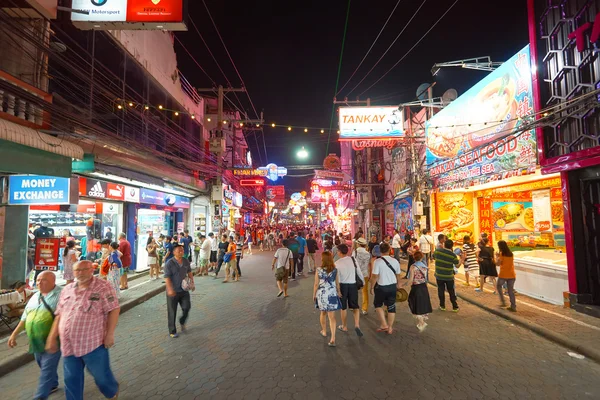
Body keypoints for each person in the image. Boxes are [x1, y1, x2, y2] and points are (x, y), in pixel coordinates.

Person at [45, 260, 120, 400]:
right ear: (73, 272)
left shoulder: (103, 287)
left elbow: (114, 309)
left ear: (91, 270)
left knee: (102, 377)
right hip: (68, 345)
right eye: (77, 270)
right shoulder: (67, 289)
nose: (81, 273)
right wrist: (51, 337)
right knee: (71, 379)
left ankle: (112, 392)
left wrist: (110, 334)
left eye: (84, 269)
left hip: (93, 343)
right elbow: (59, 314)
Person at [8, 271, 62, 400]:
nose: (39, 283)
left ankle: (39, 396)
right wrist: (14, 334)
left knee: (46, 370)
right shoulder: (35, 296)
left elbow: (61, 317)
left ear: (53, 281)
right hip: (36, 341)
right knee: (42, 364)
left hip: (54, 341)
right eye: (38, 280)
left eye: (43, 280)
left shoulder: (61, 295)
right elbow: (25, 317)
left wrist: (52, 338)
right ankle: (53, 383)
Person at [370, 243, 401, 335]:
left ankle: (384, 324)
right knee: (391, 306)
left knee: (378, 304)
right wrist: (399, 284)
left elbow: (374, 276)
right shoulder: (395, 261)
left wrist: (372, 287)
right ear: (389, 250)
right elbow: (398, 275)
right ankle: (390, 327)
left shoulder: (377, 262)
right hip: (392, 287)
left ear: (380, 251)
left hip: (381, 287)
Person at [164, 244, 194, 338]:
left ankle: (182, 321)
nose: (181, 252)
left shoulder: (185, 261)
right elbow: (167, 277)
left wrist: (192, 282)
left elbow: (189, 272)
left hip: (184, 290)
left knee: (187, 307)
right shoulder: (169, 263)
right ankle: (172, 331)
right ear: (174, 252)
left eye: (182, 250)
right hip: (173, 291)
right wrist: (169, 289)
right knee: (172, 311)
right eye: (179, 250)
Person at [313, 251, 342, 347]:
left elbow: (316, 284)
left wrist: (314, 294)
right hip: (332, 294)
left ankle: (324, 331)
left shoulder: (318, 270)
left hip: (322, 294)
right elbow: (337, 283)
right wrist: (339, 292)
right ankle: (333, 338)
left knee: (323, 313)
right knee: (332, 317)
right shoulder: (335, 270)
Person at [335, 244, 364, 337]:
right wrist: (362, 282)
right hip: (353, 285)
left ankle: (344, 326)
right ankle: (357, 325)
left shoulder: (337, 263)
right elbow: (359, 272)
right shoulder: (353, 259)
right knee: (355, 306)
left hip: (343, 286)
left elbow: (337, 279)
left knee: (343, 307)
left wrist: (337, 290)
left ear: (339, 252)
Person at [405, 251, 432, 332]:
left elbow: (410, 280)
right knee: (422, 305)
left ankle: (422, 322)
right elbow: (426, 278)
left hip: (416, 288)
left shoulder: (413, 267)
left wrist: (403, 285)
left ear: (414, 257)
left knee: (414, 303)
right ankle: (421, 323)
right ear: (421, 257)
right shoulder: (425, 266)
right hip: (423, 287)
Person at [434, 239, 460, 312]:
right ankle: (455, 307)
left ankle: (442, 306)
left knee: (441, 290)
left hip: (439, 275)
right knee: (451, 291)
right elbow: (457, 265)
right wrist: (462, 259)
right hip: (449, 276)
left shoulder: (438, 251)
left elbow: (433, 256)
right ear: (452, 246)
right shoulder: (453, 255)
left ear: (444, 244)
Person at [496, 240, 517, 312]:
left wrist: (497, 257)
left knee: (498, 286)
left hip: (503, 274)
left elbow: (498, 264)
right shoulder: (511, 254)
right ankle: (513, 306)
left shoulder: (502, 254)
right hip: (512, 274)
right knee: (510, 291)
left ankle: (503, 302)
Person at [354, 238, 371, 315]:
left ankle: (355, 306)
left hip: (356, 274)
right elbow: (369, 264)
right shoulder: (368, 253)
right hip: (365, 274)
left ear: (358, 244)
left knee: (354, 291)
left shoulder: (355, 252)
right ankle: (365, 308)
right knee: (365, 291)